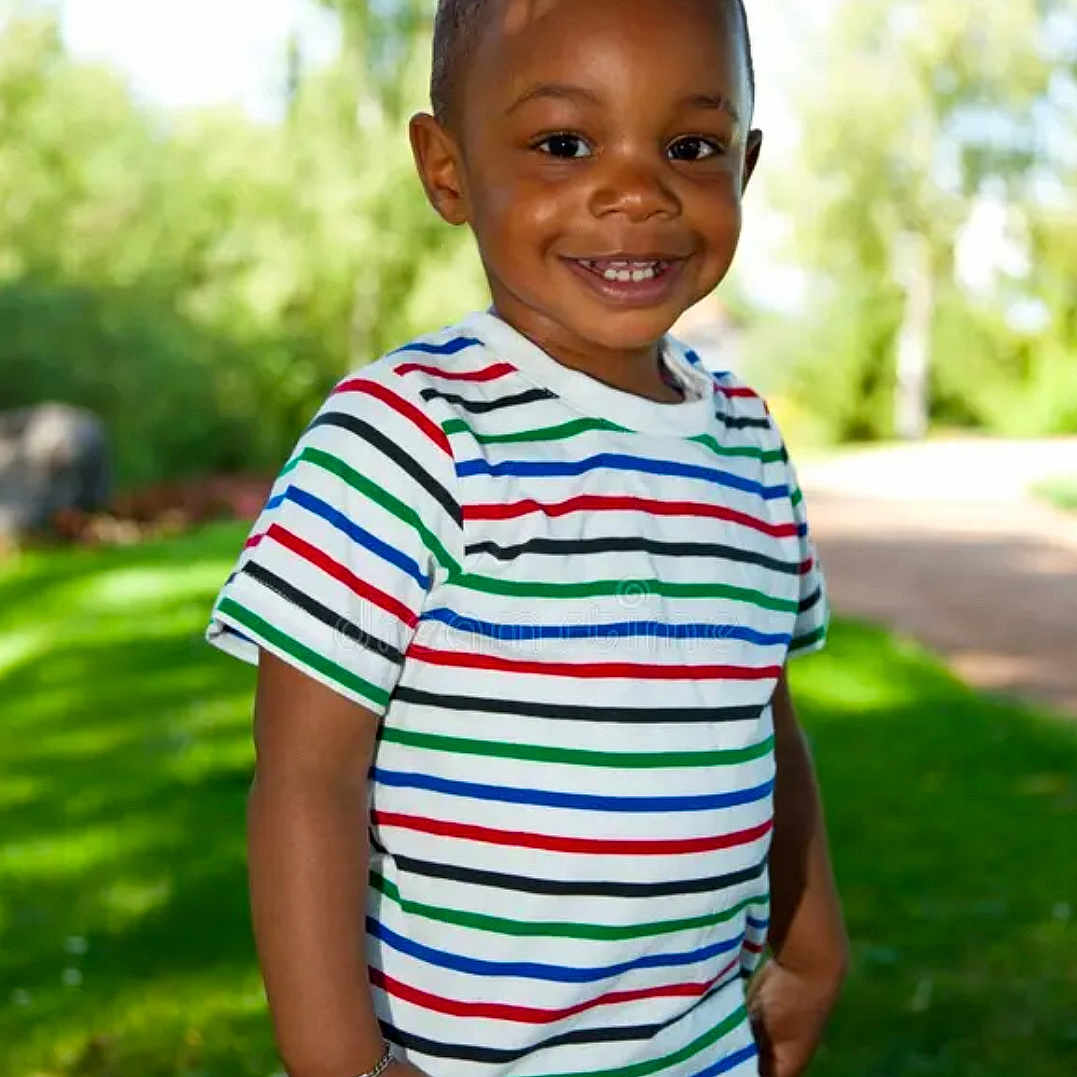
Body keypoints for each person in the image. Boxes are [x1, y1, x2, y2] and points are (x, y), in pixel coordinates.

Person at [204, 1, 849, 1075]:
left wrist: (811, 943)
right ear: (447, 169)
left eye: (692, 146)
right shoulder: (406, 432)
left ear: (747, 163)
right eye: (565, 144)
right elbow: (304, 781)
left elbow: (759, 708)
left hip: (698, 1050)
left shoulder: (747, 441)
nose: (638, 191)